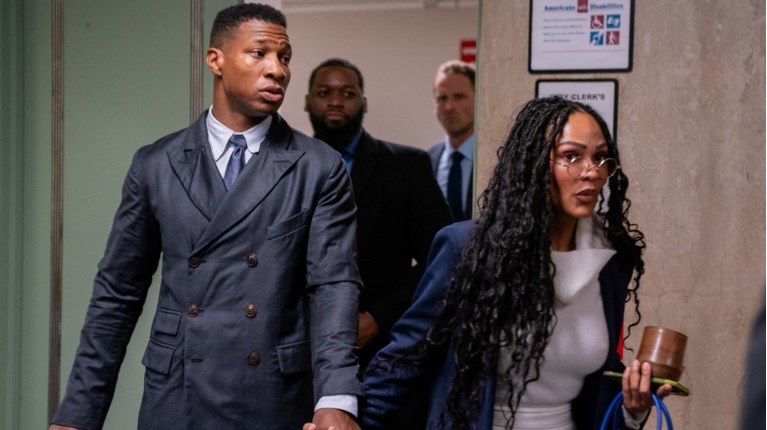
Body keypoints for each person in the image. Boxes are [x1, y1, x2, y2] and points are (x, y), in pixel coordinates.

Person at [50, 4, 362, 430]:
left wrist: (336, 399)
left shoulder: (318, 166)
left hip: (273, 395)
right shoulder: (156, 164)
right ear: (216, 60)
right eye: (259, 53)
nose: (277, 70)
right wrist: (78, 414)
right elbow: (117, 294)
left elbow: (333, 286)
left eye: (284, 57)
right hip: (178, 395)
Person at [360, 96, 672, 429]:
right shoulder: (468, 249)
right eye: (571, 156)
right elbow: (406, 359)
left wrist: (632, 409)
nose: (592, 172)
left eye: (600, 158)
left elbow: (597, 389)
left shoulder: (608, 262)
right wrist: (353, 420)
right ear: (533, 163)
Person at [304, 58, 452, 372]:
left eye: (348, 93)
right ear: (307, 101)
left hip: (382, 349)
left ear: (364, 102)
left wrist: (377, 318)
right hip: (298, 347)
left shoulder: (406, 166)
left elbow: (441, 257)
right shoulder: (287, 167)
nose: (335, 101)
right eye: (324, 92)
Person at [429, 60, 476, 221]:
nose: (449, 107)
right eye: (442, 98)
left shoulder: (496, 158)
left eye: (459, 97)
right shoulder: (426, 162)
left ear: (478, 99)